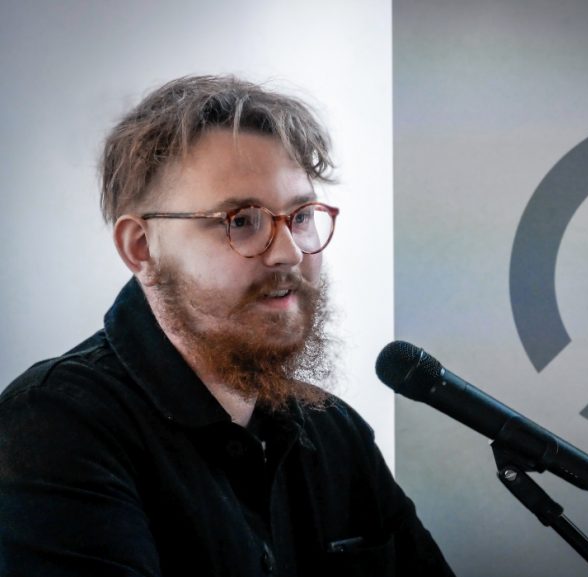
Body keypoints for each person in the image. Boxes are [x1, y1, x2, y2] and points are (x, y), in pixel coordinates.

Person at [0, 75, 455, 577]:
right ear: (142, 248)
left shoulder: (336, 434)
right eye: (241, 220)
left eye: (301, 215)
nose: (289, 252)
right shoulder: (53, 428)